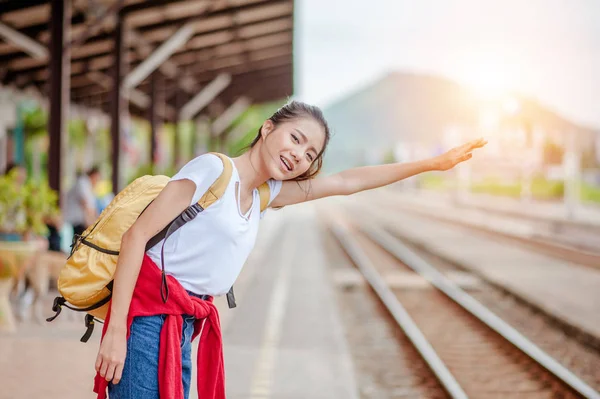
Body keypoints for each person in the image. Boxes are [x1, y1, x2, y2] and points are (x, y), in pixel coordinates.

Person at [94, 101, 486, 399]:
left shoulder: (265, 195)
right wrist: (115, 334)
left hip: (183, 327)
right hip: (147, 322)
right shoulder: (213, 170)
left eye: (310, 153)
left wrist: (433, 164)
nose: (300, 154)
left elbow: (348, 181)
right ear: (268, 128)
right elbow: (136, 238)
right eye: (296, 138)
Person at [65, 166, 101, 237]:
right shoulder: (82, 182)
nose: (97, 181)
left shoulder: (89, 186)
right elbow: (85, 203)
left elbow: (92, 207)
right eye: (97, 178)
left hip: (81, 222)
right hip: (77, 221)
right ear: (93, 175)